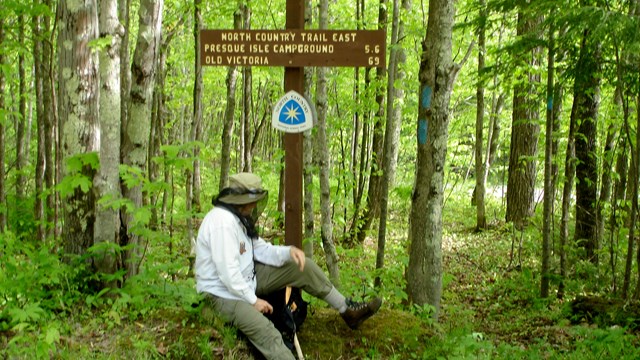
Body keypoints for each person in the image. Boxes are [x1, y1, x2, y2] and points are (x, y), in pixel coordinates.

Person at [195, 172, 382, 360]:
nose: (254, 205)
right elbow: (228, 274)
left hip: (247, 280)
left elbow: (259, 249)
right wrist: (253, 301)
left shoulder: (238, 218)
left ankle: (347, 311)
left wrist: (288, 252)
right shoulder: (222, 223)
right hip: (222, 295)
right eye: (252, 200)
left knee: (303, 267)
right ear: (240, 199)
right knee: (268, 332)